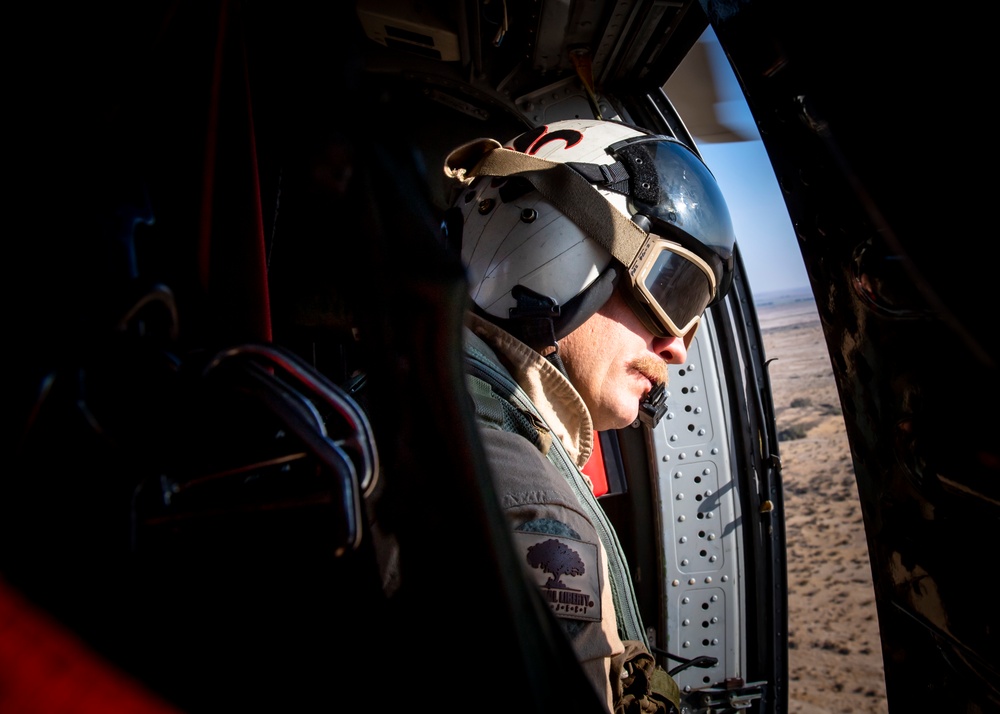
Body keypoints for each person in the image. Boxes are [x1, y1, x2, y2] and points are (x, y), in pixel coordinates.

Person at [443, 118, 736, 713]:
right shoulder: (522, 499)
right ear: (551, 241)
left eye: (693, 324)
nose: (677, 345)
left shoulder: (445, 408)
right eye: (673, 291)